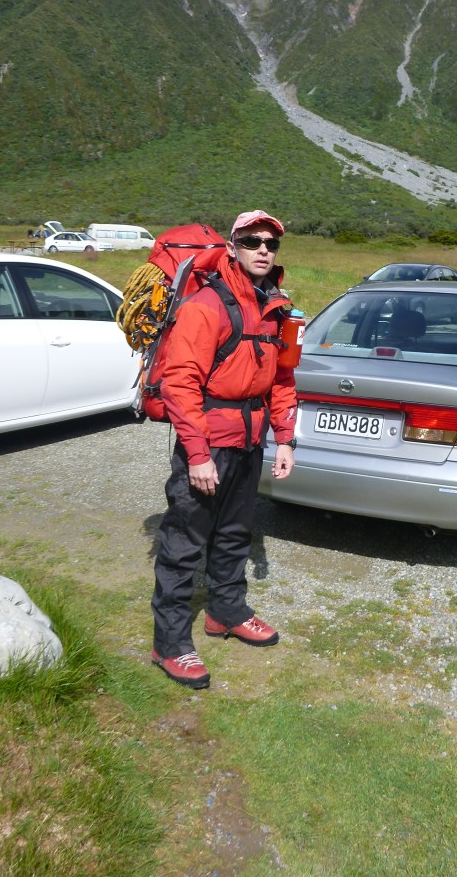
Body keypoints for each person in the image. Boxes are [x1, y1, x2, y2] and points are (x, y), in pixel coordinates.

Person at [150, 210, 298, 689]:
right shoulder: (206, 306)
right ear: (232, 246)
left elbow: (281, 379)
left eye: (270, 243)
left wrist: (285, 439)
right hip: (209, 442)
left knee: (236, 533)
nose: (262, 250)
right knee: (183, 545)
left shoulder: (276, 307)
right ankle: (169, 644)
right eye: (252, 241)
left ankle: (226, 613)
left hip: (251, 441)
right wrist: (196, 454)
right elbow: (179, 384)